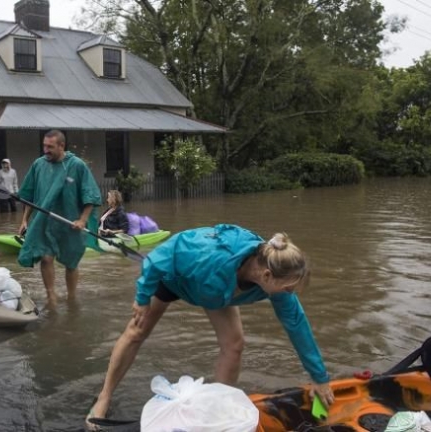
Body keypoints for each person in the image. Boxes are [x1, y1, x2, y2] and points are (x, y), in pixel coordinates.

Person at [86, 224, 334, 429]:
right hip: (176, 278)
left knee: (234, 344)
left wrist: (319, 378)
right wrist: (141, 299)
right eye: (288, 289)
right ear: (267, 276)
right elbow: (157, 259)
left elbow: (296, 324)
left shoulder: (273, 275)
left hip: (216, 292)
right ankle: (104, 396)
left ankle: (218, 409)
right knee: (137, 330)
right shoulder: (210, 257)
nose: (289, 294)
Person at [17, 130, 101, 307]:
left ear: (61, 146)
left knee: (71, 262)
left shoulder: (77, 166)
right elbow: (29, 196)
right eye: (44, 146)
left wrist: (83, 220)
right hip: (45, 222)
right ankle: (51, 297)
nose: (46, 150)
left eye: (50, 147)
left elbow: (91, 196)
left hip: (70, 222)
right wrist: (25, 220)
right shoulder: (38, 165)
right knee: (46, 258)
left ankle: (71, 297)